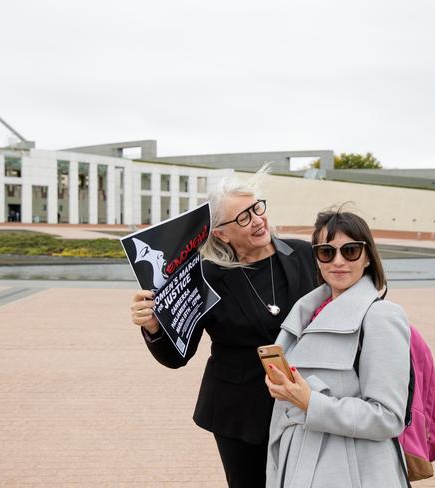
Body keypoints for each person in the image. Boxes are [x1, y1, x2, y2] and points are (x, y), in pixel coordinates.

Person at [130, 169, 318, 487]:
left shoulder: (302, 255)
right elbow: (177, 355)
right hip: (240, 414)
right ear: (220, 233)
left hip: (305, 403)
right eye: (243, 217)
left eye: (257, 208)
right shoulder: (206, 278)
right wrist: (153, 325)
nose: (257, 220)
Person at [265, 209, 411, 488]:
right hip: (298, 460)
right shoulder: (305, 313)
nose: (339, 261)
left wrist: (310, 402)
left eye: (351, 250)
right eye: (326, 252)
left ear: (368, 256)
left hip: (354, 469)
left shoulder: (381, 317)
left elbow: (389, 417)